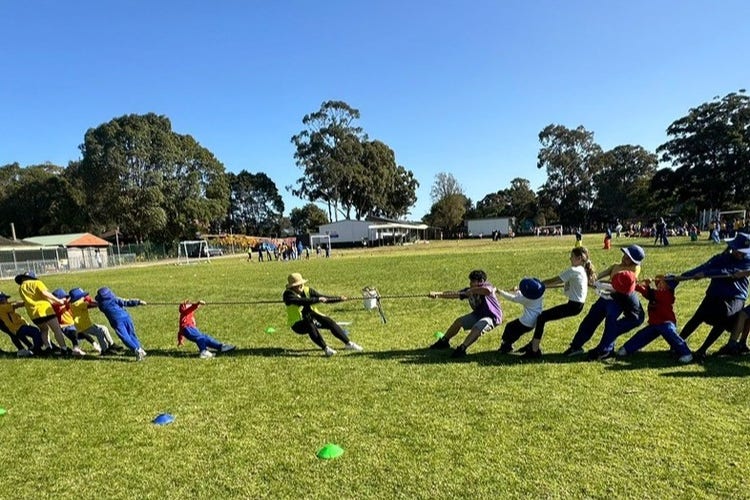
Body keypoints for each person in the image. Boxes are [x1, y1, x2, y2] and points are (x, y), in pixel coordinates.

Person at [510, 247, 596, 358]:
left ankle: (534, 350)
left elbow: (554, 280)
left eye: (572, 256)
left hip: (574, 306)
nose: (570, 259)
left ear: (579, 258)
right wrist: (543, 286)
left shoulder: (574, 270)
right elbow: (559, 283)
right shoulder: (581, 270)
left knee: (542, 317)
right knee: (543, 317)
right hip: (576, 305)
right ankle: (532, 345)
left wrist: (537, 285)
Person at [677, 232, 750, 362]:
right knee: (698, 316)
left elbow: (729, 272)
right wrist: (683, 276)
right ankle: (676, 344)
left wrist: (706, 273)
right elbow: (704, 267)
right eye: (738, 251)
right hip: (715, 293)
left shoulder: (748, 260)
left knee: (725, 318)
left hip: (735, 297)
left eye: (743, 251)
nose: (741, 254)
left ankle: (702, 350)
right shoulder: (722, 258)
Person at [564, 244, 645, 356]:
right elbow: (599, 276)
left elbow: (622, 282)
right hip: (605, 297)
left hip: (617, 300)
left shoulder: (634, 268)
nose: (624, 258)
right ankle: (576, 346)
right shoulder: (615, 266)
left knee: (610, 323)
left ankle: (605, 349)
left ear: (634, 261)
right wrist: (592, 281)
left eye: (628, 257)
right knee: (591, 319)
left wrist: (602, 284)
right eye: (625, 255)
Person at [282, 273, 363, 356]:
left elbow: (324, 298)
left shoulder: (307, 290)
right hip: (297, 323)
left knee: (330, 322)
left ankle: (348, 344)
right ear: (291, 287)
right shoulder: (287, 295)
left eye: (301, 284)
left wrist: (339, 299)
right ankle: (326, 348)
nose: (300, 286)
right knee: (310, 325)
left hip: (312, 316)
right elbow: (301, 301)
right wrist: (317, 299)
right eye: (297, 285)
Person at [616, 275, 693, 363]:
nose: (660, 284)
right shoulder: (656, 293)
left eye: (663, 283)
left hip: (666, 323)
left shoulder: (667, 295)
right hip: (655, 323)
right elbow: (645, 291)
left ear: (669, 287)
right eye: (660, 282)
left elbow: (649, 294)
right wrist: (634, 284)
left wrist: (646, 285)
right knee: (642, 335)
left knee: (672, 336)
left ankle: (686, 353)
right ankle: (626, 349)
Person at [428, 269, 503, 358]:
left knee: (478, 327)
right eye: (470, 281)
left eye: (473, 281)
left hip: (491, 317)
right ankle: (444, 341)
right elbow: (454, 294)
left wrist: (473, 291)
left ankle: (462, 348)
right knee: (458, 322)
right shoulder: (469, 290)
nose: (470, 283)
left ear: (481, 281)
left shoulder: (487, 286)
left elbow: (487, 291)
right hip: (478, 314)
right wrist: (437, 294)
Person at [584, 270, 645, 360]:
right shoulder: (626, 288)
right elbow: (611, 287)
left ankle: (605, 351)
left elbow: (608, 294)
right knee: (612, 328)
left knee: (612, 329)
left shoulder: (623, 295)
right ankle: (604, 349)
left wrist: (598, 288)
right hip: (632, 316)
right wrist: (596, 284)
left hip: (634, 319)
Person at [15, 271, 72, 355]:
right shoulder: (37, 283)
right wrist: (58, 300)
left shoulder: (21, 288)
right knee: (56, 329)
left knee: (44, 330)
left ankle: (48, 347)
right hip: (45, 310)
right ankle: (64, 349)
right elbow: (45, 294)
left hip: (33, 314)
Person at [95, 287, 148, 361]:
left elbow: (96, 302)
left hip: (117, 322)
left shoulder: (101, 305)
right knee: (131, 334)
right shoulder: (115, 299)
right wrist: (138, 302)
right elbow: (126, 302)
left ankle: (137, 350)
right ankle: (139, 348)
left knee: (125, 338)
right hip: (127, 318)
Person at [496, 278, 545, 357]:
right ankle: (507, 345)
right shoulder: (539, 295)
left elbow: (513, 298)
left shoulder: (526, 299)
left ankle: (506, 346)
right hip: (534, 321)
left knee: (510, 328)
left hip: (526, 322)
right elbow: (523, 295)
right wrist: (517, 291)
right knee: (514, 330)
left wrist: (500, 292)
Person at [67, 287, 122, 355]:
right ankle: (105, 350)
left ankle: (112, 344)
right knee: (99, 333)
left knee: (104, 328)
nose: (83, 297)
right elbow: (92, 304)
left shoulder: (75, 303)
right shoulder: (77, 304)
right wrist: (101, 302)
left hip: (86, 324)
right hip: (84, 326)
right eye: (82, 296)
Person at [51, 289, 97, 355]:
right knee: (73, 335)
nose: (65, 299)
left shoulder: (67, 304)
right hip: (65, 326)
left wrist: (84, 298)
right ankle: (76, 349)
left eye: (66, 297)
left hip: (73, 324)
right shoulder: (56, 306)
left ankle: (95, 345)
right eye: (63, 298)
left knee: (84, 334)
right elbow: (60, 305)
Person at [0, 291, 44, 356]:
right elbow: (15, 305)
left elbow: (13, 303)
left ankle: (33, 348)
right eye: (5, 298)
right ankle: (37, 350)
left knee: (35, 332)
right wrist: (28, 301)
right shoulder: (2, 307)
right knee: (35, 331)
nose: (7, 300)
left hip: (16, 328)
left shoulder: (5, 305)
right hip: (17, 328)